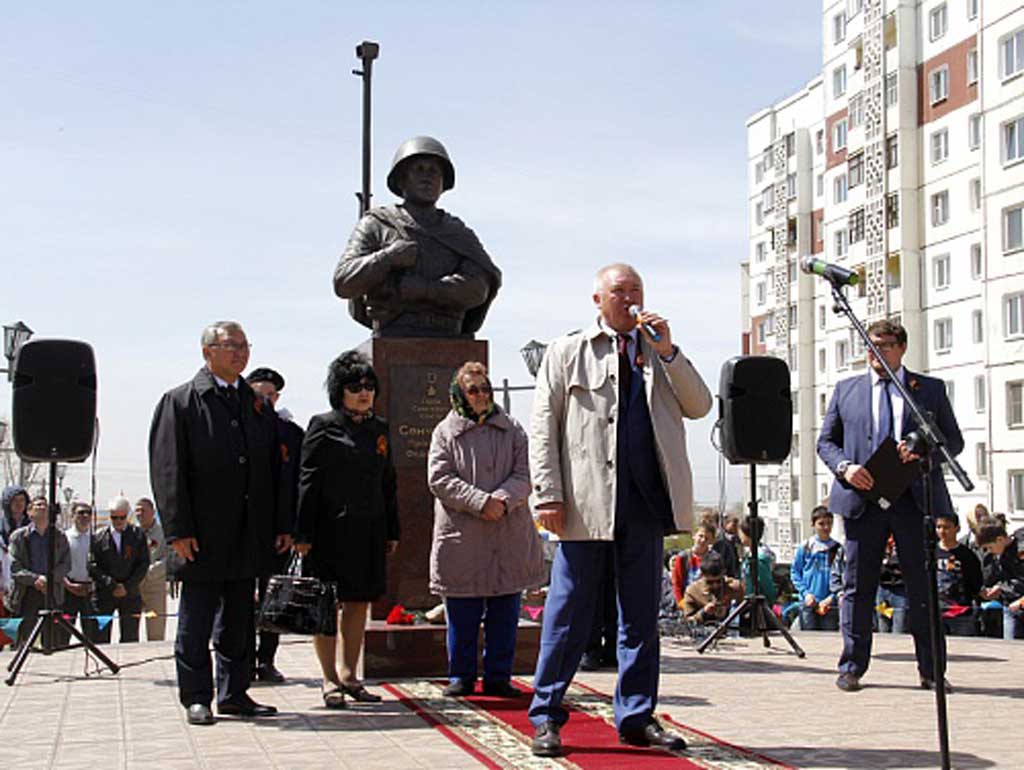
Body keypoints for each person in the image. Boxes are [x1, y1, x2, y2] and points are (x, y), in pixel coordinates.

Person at [527, 263, 712, 758]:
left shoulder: (659, 352)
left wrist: (669, 350)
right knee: (568, 614)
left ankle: (635, 715)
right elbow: (544, 426)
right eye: (618, 291)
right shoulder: (567, 352)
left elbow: (699, 405)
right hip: (586, 505)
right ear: (597, 299)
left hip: (645, 504)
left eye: (636, 290)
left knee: (640, 619)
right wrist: (548, 493)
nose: (628, 299)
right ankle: (546, 715)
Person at [149, 320, 291, 726]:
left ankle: (235, 693)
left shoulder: (255, 404)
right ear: (207, 351)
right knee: (195, 622)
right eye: (231, 345)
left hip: (249, 533)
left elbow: (272, 470)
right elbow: (167, 470)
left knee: (239, 622)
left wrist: (280, 523)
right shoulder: (180, 402)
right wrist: (177, 530)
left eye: (245, 345)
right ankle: (197, 696)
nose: (241, 353)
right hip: (201, 536)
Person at [817, 318, 963, 692]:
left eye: (882, 345)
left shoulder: (927, 389)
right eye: (869, 345)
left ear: (901, 347)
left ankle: (932, 671)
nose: (874, 352)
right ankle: (851, 666)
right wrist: (846, 468)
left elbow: (953, 441)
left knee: (921, 587)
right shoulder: (846, 389)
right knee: (857, 587)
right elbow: (826, 443)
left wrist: (919, 446)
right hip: (863, 500)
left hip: (912, 500)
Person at [427, 362, 545, 697]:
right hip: (464, 535)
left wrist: (503, 500)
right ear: (459, 394)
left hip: (508, 532)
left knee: (505, 613)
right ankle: (461, 675)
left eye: (485, 389)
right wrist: (480, 502)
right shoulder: (444, 433)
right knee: (462, 612)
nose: (481, 396)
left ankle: (498, 675)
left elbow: (525, 474)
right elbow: (439, 479)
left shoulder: (513, 429)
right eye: (473, 390)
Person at [295, 351, 399, 709]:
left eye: (369, 386)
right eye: (355, 386)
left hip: (369, 530)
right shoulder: (322, 426)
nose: (364, 392)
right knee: (327, 606)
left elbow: (388, 482)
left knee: (358, 603)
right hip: (328, 533)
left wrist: (392, 529)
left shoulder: (379, 429)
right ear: (339, 391)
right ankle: (328, 679)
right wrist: (302, 533)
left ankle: (350, 675)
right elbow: (307, 482)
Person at [334, 136, 502, 338]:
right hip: (392, 333)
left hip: (448, 335)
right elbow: (343, 281)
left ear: (443, 182)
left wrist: (426, 290)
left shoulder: (458, 233)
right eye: (419, 170)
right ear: (401, 179)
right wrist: (387, 257)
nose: (427, 177)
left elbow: (478, 288)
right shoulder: (377, 224)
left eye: (434, 171)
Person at [245, 366, 304, 684]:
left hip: (279, 533)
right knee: (240, 599)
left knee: (274, 597)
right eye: (259, 394)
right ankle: (239, 659)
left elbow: (296, 484)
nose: (266, 401)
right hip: (243, 531)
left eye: (271, 395)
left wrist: (291, 528)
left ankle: (266, 659)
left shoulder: (291, 434)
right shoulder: (238, 426)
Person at [5, 496, 71, 649]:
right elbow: (14, 566)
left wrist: (49, 579)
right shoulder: (19, 537)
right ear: (29, 512)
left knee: (53, 640)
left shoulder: (59, 536)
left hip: (52, 592)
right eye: (38, 505)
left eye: (45, 505)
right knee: (24, 641)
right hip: (27, 593)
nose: (42, 508)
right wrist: (35, 579)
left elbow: (66, 564)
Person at [89, 496, 150, 644]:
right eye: (114, 517)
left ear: (127, 515)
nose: (117, 521)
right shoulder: (98, 537)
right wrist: (111, 584)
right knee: (101, 638)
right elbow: (92, 564)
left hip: (130, 594)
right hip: (105, 593)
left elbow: (143, 563)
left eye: (121, 517)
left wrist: (126, 586)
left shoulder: (137, 535)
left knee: (130, 637)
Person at [790, 506, 841, 631]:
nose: (826, 528)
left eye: (829, 523)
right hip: (808, 603)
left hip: (829, 604)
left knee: (829, 639)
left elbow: (843, 576)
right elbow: (795, 572)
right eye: (821, 524)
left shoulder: (837, 548)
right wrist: (806, 594)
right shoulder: (806, 546)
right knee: (809, 638)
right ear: (813, 525)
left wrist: (832, 597)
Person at [934, 512, 983, 637]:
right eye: (939, 527)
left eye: (946, 527)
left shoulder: (966, 554)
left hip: (961, 612)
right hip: (936, 611)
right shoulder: (931, 552)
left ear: (957, 528)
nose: (942, 531)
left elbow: (976, 581)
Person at [976, 520, 1024, 640]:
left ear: (1000, 540)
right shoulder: (999, 554)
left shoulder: (1020, 550)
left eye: (990, 547)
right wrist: (998, 587)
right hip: (1010, 607)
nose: (989, 551)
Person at [62, 502, 98, 642]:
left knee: (91, 635)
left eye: (88, 513)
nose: (85, 516)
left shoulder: (96, 539)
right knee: (63, 633)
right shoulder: (64, 537)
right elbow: (56, 565)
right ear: (73, 516)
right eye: (81, 513)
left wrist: (92, 585)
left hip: (90, 590)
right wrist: (68, 585)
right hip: (69, 590)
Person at [133, 497, 167, 642]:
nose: (140, 514)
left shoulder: (164, 532)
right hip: (134, 587)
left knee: (156, 632)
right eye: (137, 511)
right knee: (130, 630)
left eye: (143, 510)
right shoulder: (131, 533)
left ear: (153, 512)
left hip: (155, 586)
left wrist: (148, 572)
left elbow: (169, 558)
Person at [681, 552, 744, 624]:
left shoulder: (735, 588)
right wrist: (704, 613)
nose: (715, 585)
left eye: (718, 581)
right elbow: (687, 622)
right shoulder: (692, 591)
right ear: (702, 575)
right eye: (710, 582)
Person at [671, 518, 716, 610]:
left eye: (707, 538)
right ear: (694, 536)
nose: (703, 540)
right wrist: (682, 604)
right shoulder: (683, 557)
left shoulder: (715, 558)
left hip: (707, 605)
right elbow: (677, 583)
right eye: (701, 536)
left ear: (711, 541)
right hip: (687, 603)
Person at [738, 515, 777, 608]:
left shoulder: (759, 557)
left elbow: (766, 583)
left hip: (758, 605)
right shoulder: (750, 553)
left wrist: (771, 602)